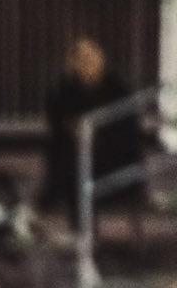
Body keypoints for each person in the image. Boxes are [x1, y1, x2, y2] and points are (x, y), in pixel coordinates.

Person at [37, 37, 148, 226]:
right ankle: (81, 226)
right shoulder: (64, 88)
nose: (85, 64)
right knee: (65, 154)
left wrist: (96, 134)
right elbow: (57, 120)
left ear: (100, 60)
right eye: (79, 60)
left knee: (72, 164)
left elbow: (127, 130)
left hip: (112, 158)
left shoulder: (116, 88)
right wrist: (74, 129)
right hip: (77, 155)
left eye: (90, 59)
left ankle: (63, 212)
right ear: (72, 64)